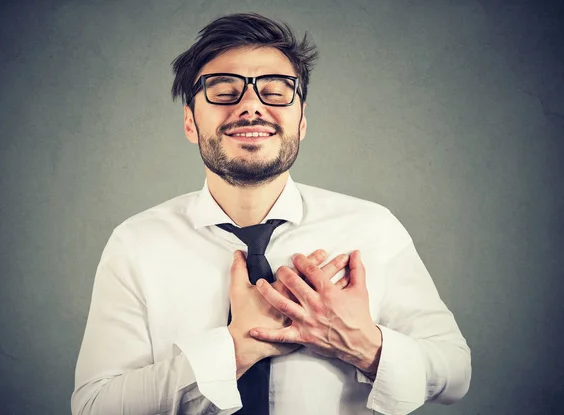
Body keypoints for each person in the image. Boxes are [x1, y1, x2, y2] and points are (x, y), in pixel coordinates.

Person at [71, 12, 471, 415]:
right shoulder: (136, 244)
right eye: (223, 91)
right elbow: (94, 405)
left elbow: (455, 374)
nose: (250, 107)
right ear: (190, 122)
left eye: (276, 91)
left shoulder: (373, 229)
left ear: (302, 121)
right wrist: (235, 347)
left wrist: (364, 344)